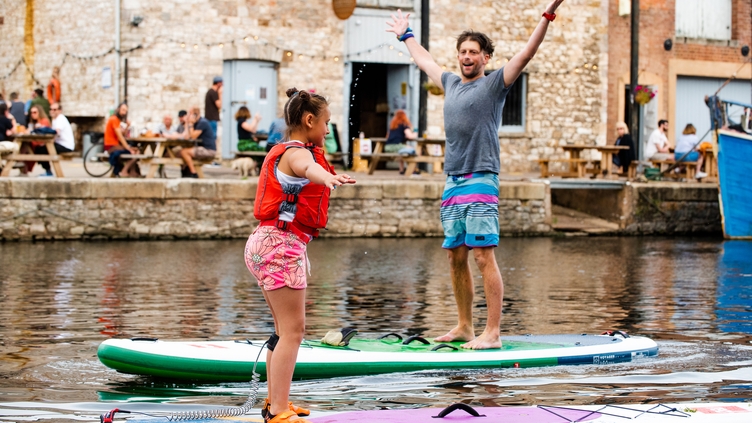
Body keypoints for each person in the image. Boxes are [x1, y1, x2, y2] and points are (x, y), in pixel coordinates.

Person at [387, 0, 565, 350]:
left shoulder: (495, 83)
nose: (467, 56)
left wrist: (548, 12)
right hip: (452, 179)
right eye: (463, 51)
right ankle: (466, 326)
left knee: (483, 255)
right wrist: (406, 35)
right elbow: (425, 60)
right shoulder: (451, 82)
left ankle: (493, 333)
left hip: (482, 177)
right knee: (455, 254)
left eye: (474, 52)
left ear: (485, 57)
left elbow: (527, 53)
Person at [245, 87, 355, 423]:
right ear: (309, 120)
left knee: (283, 331)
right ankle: (278, 411)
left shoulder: (287, 150)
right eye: (325, 123)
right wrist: (329, 177)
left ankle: (274, 402)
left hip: (269, 243)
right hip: (280, 245)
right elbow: (309, 169)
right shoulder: (296, 153)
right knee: (294, 331)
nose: (327, 130)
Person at [33, 103, 74, 177]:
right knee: (40, 148)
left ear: (60, 110)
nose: (52, 111)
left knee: (41, 150)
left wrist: (43, 129)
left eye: (55, 109)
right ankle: (48, 171)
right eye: (51, 109)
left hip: (65, 146)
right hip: (60, 144)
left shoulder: (60, 118)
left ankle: (48, 172)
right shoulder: (55, 120)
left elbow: (56, 132)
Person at [179, 105, 216, 178]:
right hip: (200, 148)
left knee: (184, 152)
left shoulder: (202, 122)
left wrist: (190, 124)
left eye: (190, 113)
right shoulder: (196, 123)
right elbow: (187, 136)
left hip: (208, 150)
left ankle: (194, 173)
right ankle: (186, 173)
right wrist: (187, 123)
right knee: (180, 152)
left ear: (195, 114)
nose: (188, 115)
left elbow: (193, 136)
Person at [104, 103, 139, 177]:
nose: (124, 113)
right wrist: (128, 148)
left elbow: (122, 134)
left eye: (126, 111)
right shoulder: (114, 119)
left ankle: (132, 172)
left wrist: (127, 126)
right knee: (135, 152)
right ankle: (124, 171)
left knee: (135, 150)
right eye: (123, 110)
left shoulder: (116, 120)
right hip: (111, 146)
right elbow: (120, 137)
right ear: (118, 109)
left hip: (114, 145)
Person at [20, 104, 52, 175]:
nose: (33, 114)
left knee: (28, 149)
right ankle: (23, 170)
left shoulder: (44, 121)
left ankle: (48, 171)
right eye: (31, 112)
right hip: (35, 143)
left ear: (39, 112)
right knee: (24, 147)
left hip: (42, 143)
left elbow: (44, 133)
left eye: (35, 112)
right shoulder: (33, 122)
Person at [385, 110, 418, 174]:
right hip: (397, 146)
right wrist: (416, 134)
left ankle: (401, 170)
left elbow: (387, 136)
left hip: (387, 147)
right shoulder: (404, 124)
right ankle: (413, 169)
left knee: (402, 152)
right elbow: (410, 136)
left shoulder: (393, 125)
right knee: (413, 150)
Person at [205, 76, 222, 140]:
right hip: (212, 119)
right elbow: (219, 105)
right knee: (213, 136)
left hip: (210, 118)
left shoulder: (210, 92)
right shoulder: (213, 92)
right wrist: (220, 93)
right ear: (219, 83)